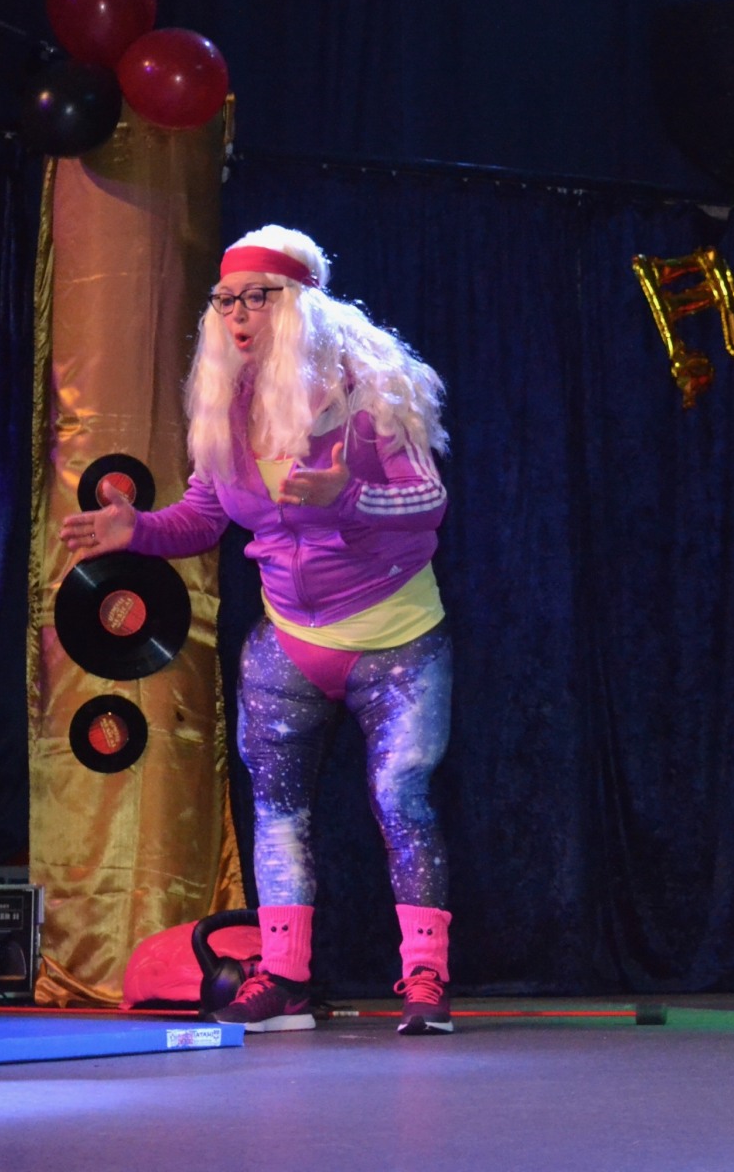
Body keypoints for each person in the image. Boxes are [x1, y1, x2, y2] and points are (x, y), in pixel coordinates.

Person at [60, 225, 454, 1036]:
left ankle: (425, 977)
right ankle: (284, 980)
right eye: (226, 300)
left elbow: (427, 504)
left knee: (400, 799)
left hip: (396, 640)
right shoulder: (227, 407)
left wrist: (346, 497)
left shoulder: (372, 394)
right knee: (276, 810)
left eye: (257, 298)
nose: (238, 314)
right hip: (290, 640)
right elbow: (206, 516)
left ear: (301, 302)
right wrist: (139, 531)